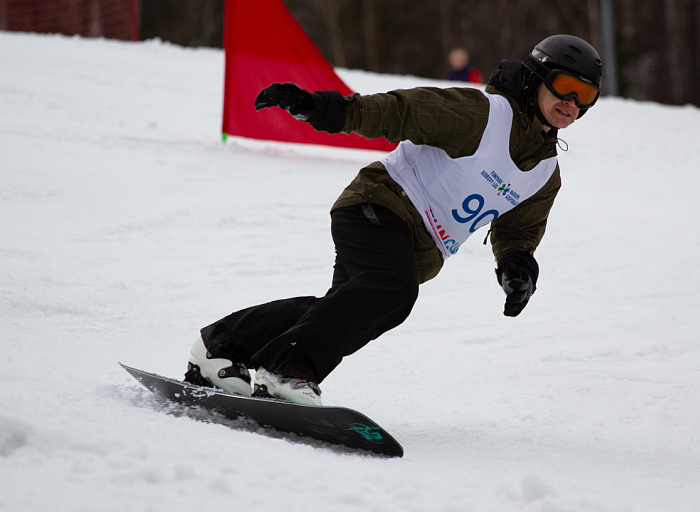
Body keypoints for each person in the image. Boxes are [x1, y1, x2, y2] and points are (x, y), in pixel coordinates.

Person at [185, 34, 603, 406]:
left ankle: (220, 347)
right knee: (391, 291)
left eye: (585, 94)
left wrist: (516, 265)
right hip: (380, 205)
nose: (571, 102)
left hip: (415, 248)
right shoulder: (483, 115)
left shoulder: (545, 173)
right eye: (564, 86)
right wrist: (323, 109)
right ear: (535, 79)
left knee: (343, 309)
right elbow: (400, 112)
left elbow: (519, 229)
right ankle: (285, 372)